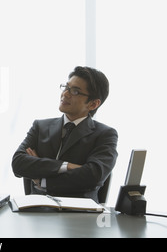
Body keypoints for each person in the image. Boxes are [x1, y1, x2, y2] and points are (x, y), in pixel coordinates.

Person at [12, 66, 118, 202]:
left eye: (75, 91)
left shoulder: (105, 134)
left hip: (79, 213)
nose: (65, 94)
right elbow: (18, 163)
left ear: (93, 104)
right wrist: (66, 166)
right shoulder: (40, 126)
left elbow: (93, 175)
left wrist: (42, 181)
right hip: (37, 210)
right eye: (66, 87)